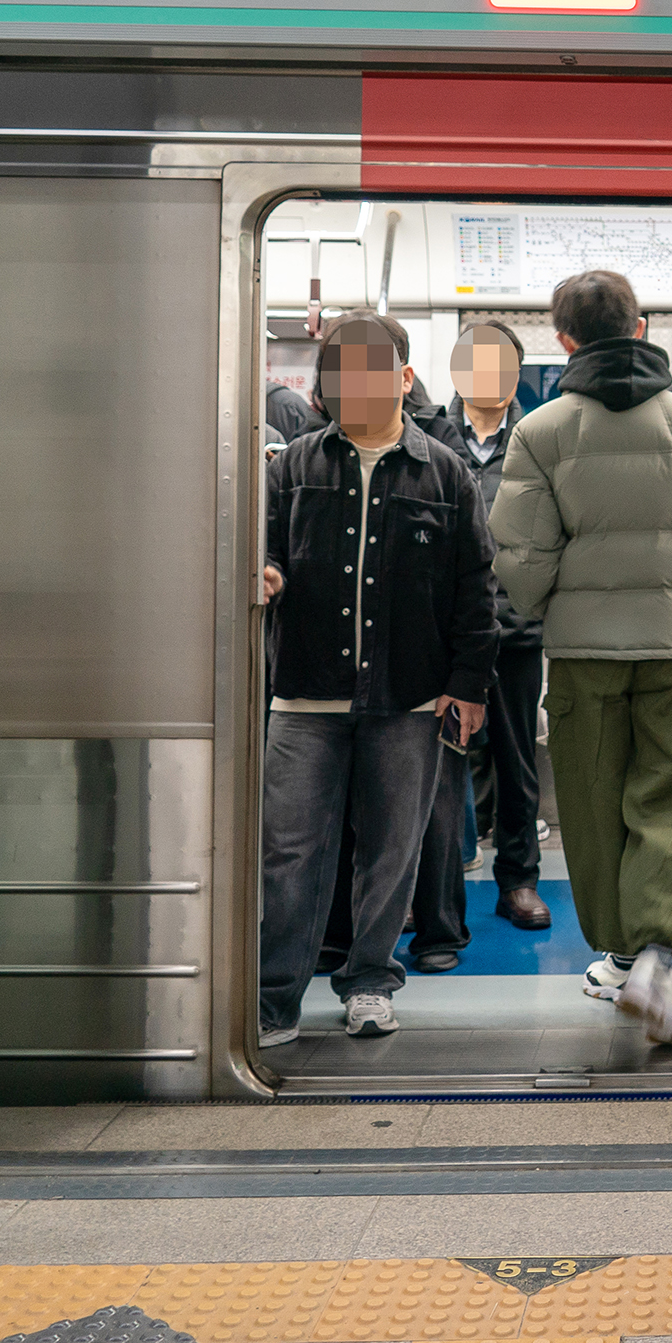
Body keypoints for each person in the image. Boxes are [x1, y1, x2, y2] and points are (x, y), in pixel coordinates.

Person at [489, 269, 672, 1049]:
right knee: (671, 796)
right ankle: (651, 957)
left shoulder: (538, 432)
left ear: (564, 338)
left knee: (589, 798)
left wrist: (563, 597)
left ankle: (617, 950)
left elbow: (520, 565)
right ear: (641, 328)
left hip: (582, 655)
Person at [256, 311, 496, 1046]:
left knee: (392, 847)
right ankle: (273, 997)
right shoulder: (292, 465)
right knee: (289, 848)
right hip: (304, 692)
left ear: (403, 377)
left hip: (410, 695)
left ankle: (367, 980)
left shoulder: (444, 471)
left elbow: (474, 585)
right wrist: (264, 574)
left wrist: (469, 683)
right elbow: (264, 552)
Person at [423, 320, 552, 933]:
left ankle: (519, 881)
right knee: (438, 766)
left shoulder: (536, 441)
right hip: (440, 635)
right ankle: (437, 892)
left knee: (515, 759)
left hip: (514, 630)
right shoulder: (430, 439)